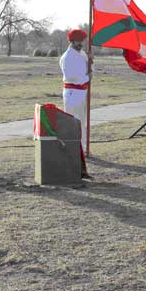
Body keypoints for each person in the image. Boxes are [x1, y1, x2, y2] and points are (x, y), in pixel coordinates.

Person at [59, 28, 93, 179]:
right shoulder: (67, 57)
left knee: (83, 122)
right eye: (78, 41)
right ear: (71, 41)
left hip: (83, 91)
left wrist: (91, 62)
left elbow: (89, 71)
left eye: (82, 41)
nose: (81, 43)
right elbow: (74, 77)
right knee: (74, 122)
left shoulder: (82, 54)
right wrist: (88, 76)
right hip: (73, 93)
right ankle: (73, 149)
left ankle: (83, 149)